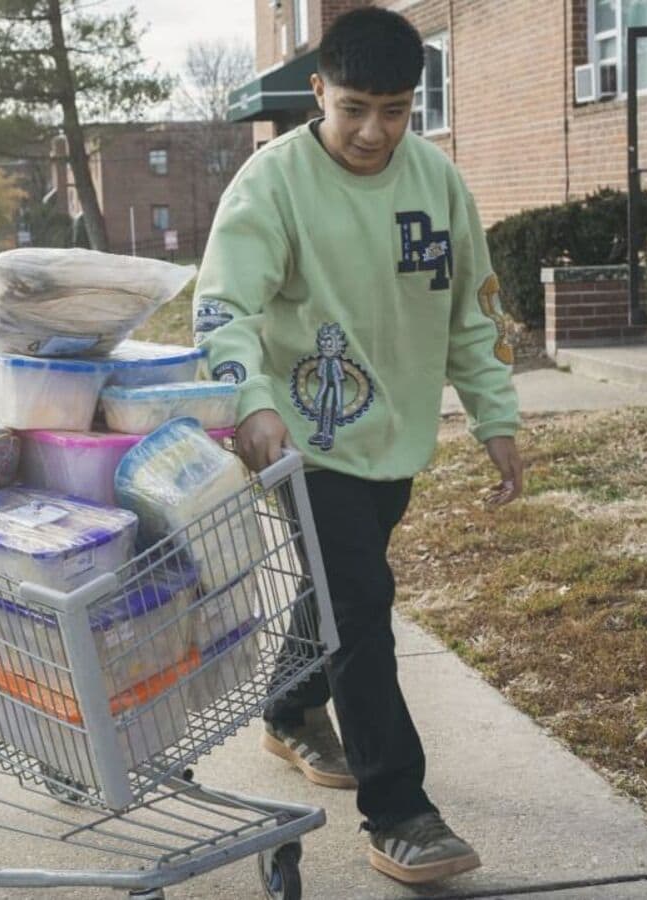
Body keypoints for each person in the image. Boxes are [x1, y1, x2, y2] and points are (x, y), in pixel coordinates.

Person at [192, 8, 524, 886]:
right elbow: (225, 309)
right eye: (353, 109)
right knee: (361, 603)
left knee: (339, 589)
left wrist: (496, 417)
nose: (373, 130)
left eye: (395, 109)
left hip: (397, 439)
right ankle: (400, 811)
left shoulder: (438, 182)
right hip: (303, 441)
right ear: (318, 93)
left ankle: (291, 708)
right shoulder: (273, 184)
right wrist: (250, 403)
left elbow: (473, 311)